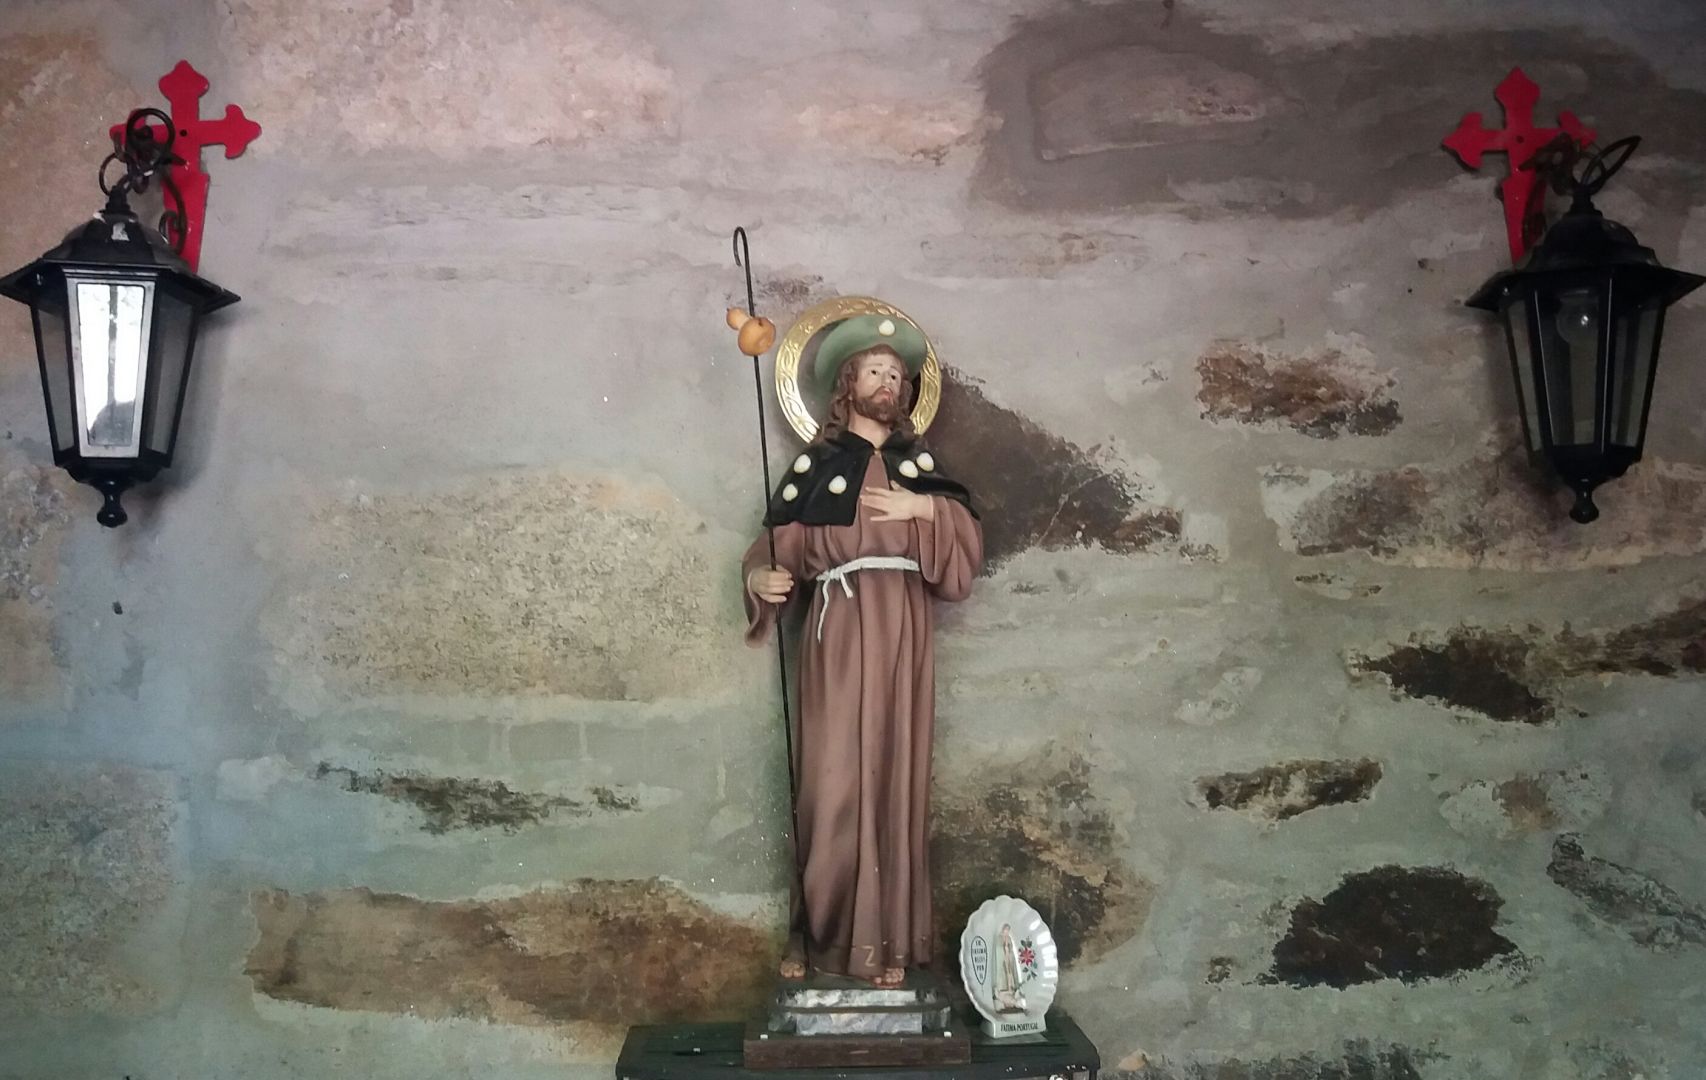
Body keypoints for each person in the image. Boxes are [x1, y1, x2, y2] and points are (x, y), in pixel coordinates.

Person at [742, 313, 983, 988]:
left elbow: (964, 553)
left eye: (898, 375)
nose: (888, 382)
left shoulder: (919, 470)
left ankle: (888, 942)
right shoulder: (817, 467)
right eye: (875, 370)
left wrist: (924, 511)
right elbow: (775, 547)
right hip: (840, 631)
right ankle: (819, 933)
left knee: (893, 772)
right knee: (830, 780)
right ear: (847, 384)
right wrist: (760, 578)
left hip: (904, 628)